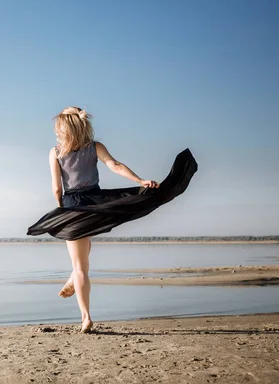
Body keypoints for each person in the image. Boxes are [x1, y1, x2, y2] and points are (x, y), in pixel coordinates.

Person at [27, 106, 198, 334]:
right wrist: (140, 180)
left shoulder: (55, 152)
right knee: (84, 253)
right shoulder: (95, 147)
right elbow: (114, 165)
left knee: (80, 266)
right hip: (97, 202)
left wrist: (61, 213)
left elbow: (57, 188)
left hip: (73, 206)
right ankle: (71, 280)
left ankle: (85, 317)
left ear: (63, 129)